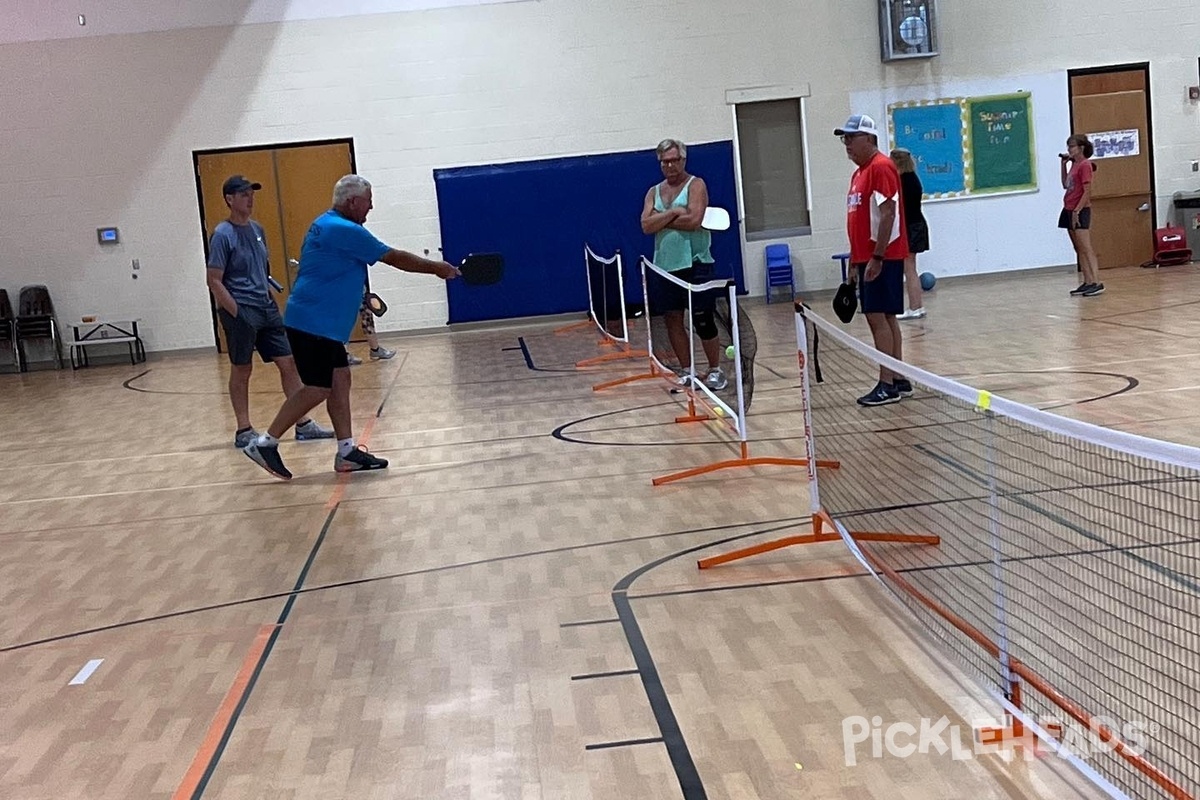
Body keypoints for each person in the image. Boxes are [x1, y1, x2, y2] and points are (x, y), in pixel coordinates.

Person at [243, 174, 460, 480]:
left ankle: (346, 452)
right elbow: (393, 257)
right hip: (312, 322)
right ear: (352, 201)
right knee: (318, 387)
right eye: (368, 203)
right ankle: (266, 443)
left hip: (322, 323)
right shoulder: (342, 229)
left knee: (340, 379)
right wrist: (437, 268)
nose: (370, 209)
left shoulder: (328, 223)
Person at [205, 175, 333, 448]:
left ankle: (303, 423)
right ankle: (243, 429)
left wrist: (271, 297)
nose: (249, 199)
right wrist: (237, 312)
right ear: (229, 199)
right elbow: (214, 280)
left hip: (266, 307)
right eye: (243, 194)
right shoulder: (222, 235)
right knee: (242, 369)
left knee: (288, 362)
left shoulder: (257, 229)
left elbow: (262, 270)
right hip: (241, 310)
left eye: (251, 194)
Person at [834, 115, 910, 406]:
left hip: (883, 255)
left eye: (852, 138)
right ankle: (899, 377)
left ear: (870, 139)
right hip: (867, 257)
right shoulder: (859, 174)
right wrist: (856, 261)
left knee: (877, 316)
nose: (847, 145)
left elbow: (888, 213)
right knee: (886, 317)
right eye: (845, 139)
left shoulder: (880, 167)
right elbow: (861, 221)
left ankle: (887, 384)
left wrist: (877, 257)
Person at [640, 138, 727, 391]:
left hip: (696, 262)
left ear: (683, 160)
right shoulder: (653, 192)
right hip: (665, 266)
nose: (670, 166)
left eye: (674, 160)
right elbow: (646, 225)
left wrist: (660, 219)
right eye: (665, 162)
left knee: (703, 319)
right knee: (673, 320)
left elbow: (694, 220)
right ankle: (688, 371)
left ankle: (715, 370)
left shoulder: (696, 184)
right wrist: (674, 212)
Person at [1060, 134, 1103, 296]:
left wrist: (1078, 211)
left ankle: (1096, 282)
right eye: (1068, 146)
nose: (1069, 149)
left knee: (1086, 247)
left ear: (1081, 148)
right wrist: (1063, 165)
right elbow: (1066, 184)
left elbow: (1087, 192)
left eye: (1072, 146)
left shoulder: (1085, 165)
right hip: (1068, 208)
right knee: (1078, 248)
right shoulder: (1074, 165)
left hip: (1080, 210)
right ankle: (1087, 281)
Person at [890, 148, 929, 320]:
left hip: (910, 227)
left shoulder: (903, 181)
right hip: (916, 224)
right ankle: (917, 306)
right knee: (911, 267)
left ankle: (915, 307)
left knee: (909, 268)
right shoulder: (913, 178)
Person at [345, 293, 395, 365]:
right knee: (345, 321)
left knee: (367, 317)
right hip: (343, 290)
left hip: (358, 290)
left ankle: (375, 350)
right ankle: (344, 355)